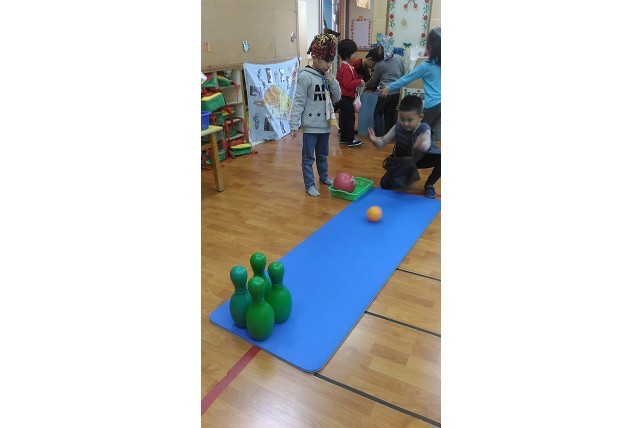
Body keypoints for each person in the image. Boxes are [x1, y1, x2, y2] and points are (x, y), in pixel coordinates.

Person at [289, 34, 342, 197]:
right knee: (308, 158)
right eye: (326, 61)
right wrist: (294, 124)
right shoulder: (305, 76)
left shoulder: (327, 76)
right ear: (315, 57)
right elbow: (298, 101)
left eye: (331, 61)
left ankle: (324, 177)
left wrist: (332, 81)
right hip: (311, 127)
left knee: (323, 155)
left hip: (325, 126)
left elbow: (337, 97)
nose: (329, 65)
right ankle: (309, 184)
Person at [368, 95, 440, 198]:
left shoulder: (425, 129)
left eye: (410, 120)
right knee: (384, 184)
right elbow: (383, 142)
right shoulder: (397, 126)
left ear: (420, 117)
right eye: (402, 119)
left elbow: (426, 143)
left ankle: (429, 184)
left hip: (420, 158)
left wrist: (421, 146)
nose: (405, 123)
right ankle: (406, 173)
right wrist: (375, 141)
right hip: (402, 160)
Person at [381, 27, 441, 141]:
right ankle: (430, 151)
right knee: (429, 132)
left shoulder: (426, 66)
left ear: (430, 47)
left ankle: (412, 153)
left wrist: (389, 88)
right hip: (440, 106)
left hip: (432, 105)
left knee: (418, 133)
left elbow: (407, 79)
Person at [363, 35, 405, 137]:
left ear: (382, 48)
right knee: (389, 114)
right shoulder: (399, 59)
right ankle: (388, 136)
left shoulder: (380, 63)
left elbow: (374, 80)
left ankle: (379, 136)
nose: (378, 50)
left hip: (385, 91)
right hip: (396, 92)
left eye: (379, 48)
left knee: (377, 113)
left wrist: (365, 84)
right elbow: (403, 74)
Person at [336, 39, 365, 148]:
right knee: (350, 119)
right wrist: (359, 82)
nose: (355, 55)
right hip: (346, 97)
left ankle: (344, 137)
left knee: (344, 117)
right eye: (353, 53)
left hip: (343, 97)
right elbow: (348, 84)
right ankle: (350, 139)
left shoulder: (346, 66)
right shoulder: (346, 68)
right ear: (347, 54)